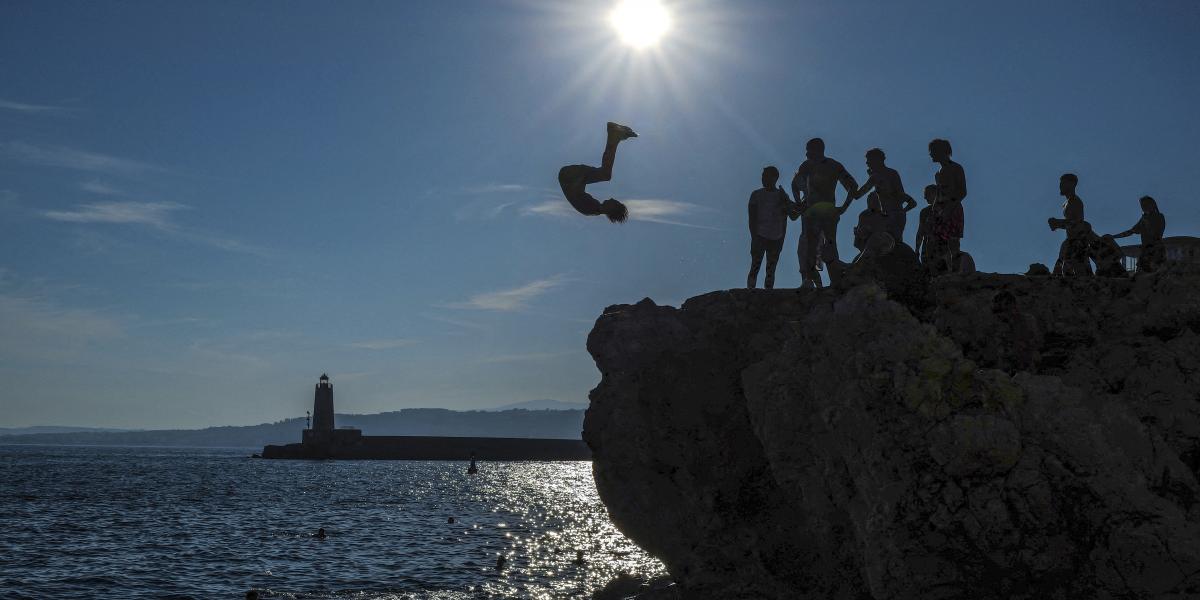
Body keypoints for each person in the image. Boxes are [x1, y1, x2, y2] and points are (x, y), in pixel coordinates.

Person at [791, 138, 858, 288]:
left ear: (817, 149)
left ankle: (819, 280)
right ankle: (827, 280)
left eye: (809, 150)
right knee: (826, 244)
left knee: (818, 245)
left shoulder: (810, 165)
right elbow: (853, 186)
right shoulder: (832, 165)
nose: (807, 153)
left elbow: (853, 186)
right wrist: (843, 207)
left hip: (817, 211)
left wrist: (844, 207)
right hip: (825, 210)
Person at [557, 122, 637, 223]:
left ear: (612, 209)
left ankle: (614, 135)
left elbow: (575, 195)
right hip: (570, 178)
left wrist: (581, 179)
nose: (612, 198)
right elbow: (577, 195)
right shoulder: (595, 208)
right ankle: (615, 137)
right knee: (605, 174)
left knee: (605, 175)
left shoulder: (591, 209)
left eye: (615, 202)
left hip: (568, 177)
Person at [851, 148, 915, 242]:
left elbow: (902, 196)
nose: (867, 163)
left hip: (892, 216)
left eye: (869, 160)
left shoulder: (887, 174)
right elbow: (857, 195)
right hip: (888, 215)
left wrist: (900, 212)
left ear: (877, 160)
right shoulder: (878, 176)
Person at [747, 166, 793, 289]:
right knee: (755, 267)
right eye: (763, 176)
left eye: (766, 176)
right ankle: (750, 291)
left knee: (771, 270)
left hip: (776, 237)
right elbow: (752, 218)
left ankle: (768, 293)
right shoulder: (756, 195)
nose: (763, 179)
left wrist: (786, 200)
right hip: (760, 236)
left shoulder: (781, 195)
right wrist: (754, 237)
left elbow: (792, 215)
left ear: (774, 177)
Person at [928, 138, 967, 261]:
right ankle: (943, 270)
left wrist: (949, 208)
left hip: (953, 208)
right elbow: (939, 193)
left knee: (953, 242)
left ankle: (955, 269)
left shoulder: (956, 168)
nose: (931, 154)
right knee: (937, 242)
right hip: (940, 210)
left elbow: (962, 192)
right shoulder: (938, 173)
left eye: (933, 151)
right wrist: (934, 209)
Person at [1048, 173, 1092, 276]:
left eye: (1063, 184)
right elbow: (1070, 223)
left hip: (1078, 242)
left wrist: (1058, 223)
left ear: (1072, 184)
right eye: (1060, 184)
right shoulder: (1065, 204)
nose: (1060, 186)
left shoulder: (1076, 202)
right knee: (1063, 270)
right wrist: (1057, 224)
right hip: (1070, 241)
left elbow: (1076, 222)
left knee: (1077, 272)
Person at [1111, 196, 1167, 272]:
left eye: (1146, 205)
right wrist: (1114, 237)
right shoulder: (1143, 219)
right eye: (1142, 206)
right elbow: (1131, 231)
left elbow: (1156, 235)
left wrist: (1147, 223)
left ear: (1152, 205)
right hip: (1146, 252)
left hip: (1156, 251)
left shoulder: (1159, 217)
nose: (1143, 207)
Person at [914, 185, 938, 266]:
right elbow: (920, 232)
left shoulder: (946, 209)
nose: (924, 197)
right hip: (927, 248)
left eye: (927, 194)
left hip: (940, 247)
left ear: (935, 193)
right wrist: (917, 250)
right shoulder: (924, 212)